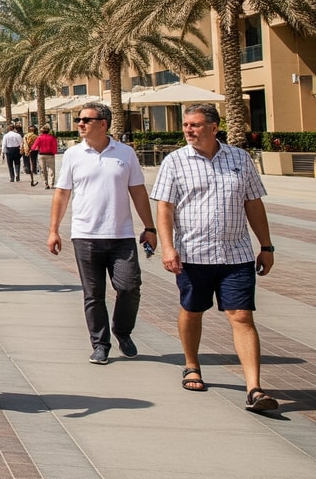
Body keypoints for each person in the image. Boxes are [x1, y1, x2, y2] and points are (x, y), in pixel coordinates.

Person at [151, 103, 279, 411]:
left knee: (242, 315)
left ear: (213, 126)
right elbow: (165, 208)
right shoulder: (175, 161)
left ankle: (254, 388)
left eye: (194, 125)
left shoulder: (240, 158)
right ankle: (192, 364)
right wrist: (168, 248)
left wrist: (267, 245)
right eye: (186, 125)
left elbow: (253, 203)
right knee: (192, 311)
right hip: (193, 254)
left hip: (236, 254)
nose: (188, 130)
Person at [49, 103, 157, 364]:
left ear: (103, 123)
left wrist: (150, 227)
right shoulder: (73, 155)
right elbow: (62, 194)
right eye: (79, 119)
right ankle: (100, 344)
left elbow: (138, 191)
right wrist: (53, 230)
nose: (80, 124)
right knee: (93, 294)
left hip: (122, 235)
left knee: (130, 287)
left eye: (86, 119)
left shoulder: (125, 153)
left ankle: (122, 331)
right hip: (85, 235)